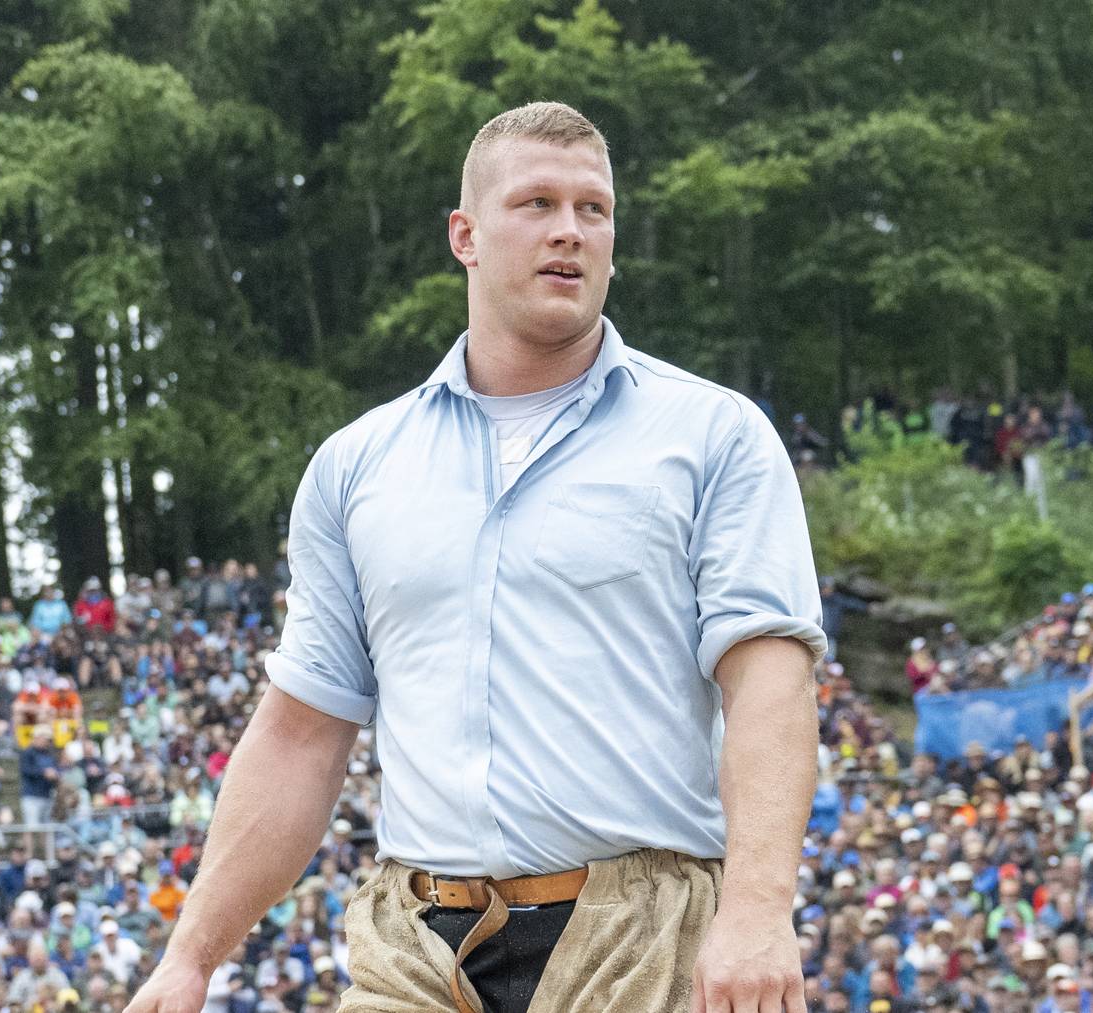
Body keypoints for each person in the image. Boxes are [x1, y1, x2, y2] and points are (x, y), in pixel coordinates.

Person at [125, 101, 825, 1013]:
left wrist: (761, 911)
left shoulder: (712, 434)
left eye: (594, 210)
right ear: (465, 234)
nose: (570, 232)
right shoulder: (358, 466)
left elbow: (771, 682)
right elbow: (301, 732)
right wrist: (189, 958)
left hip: (641, 937)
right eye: (536, 204)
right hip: (415, 945)